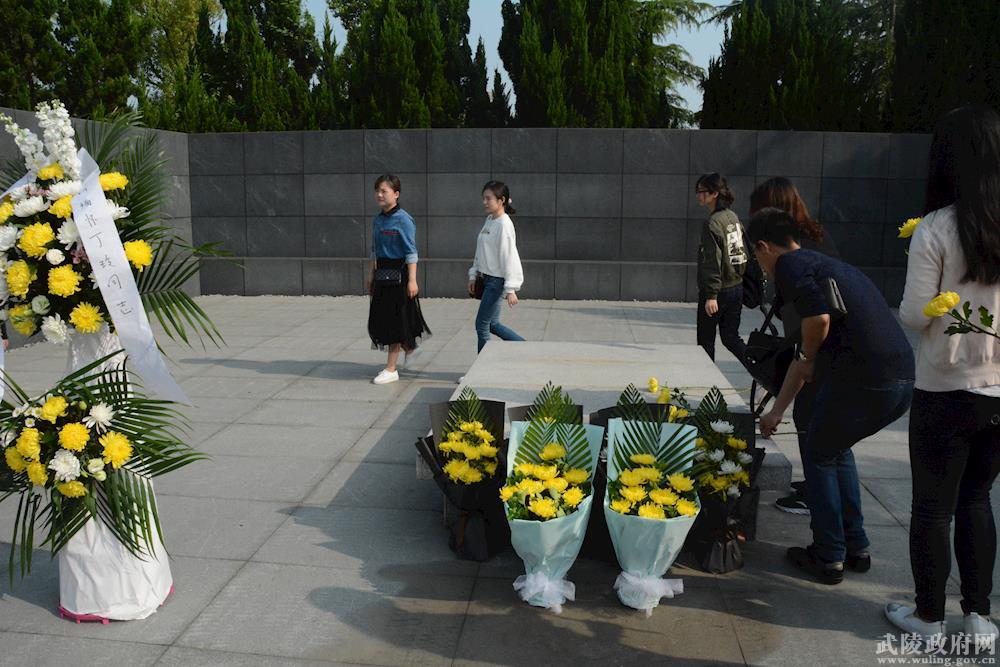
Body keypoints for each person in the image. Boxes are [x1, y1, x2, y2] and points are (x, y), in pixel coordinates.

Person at [885, 104, 1000, 644]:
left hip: (945, 390)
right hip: (998, 391)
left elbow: (913, 314)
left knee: (933, 509)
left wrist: (938, 307)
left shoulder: (935, 227)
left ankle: (928, 619)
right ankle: (978, 618)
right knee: (978, 500)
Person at [751, 207, 914, 585]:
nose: (761, 267)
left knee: (820, 453)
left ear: (763, 247)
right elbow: (803, 358)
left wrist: (808, 357)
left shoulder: (790, 266)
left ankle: (828, 555)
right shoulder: (824, 265)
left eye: (757, 258)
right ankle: (856, 547)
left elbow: (817, 325)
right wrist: (777, 411)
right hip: (900, 379)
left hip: (866, 380)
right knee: (835, 449)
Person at [749, 177, 840, 516]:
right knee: (823, 428)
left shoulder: (793, 253)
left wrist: (807, 357)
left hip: (816, 344)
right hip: (821, 342)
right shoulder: (816, 236)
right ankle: (823, 492)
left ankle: (819, 497)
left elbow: (817, 314)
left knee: (812, 421)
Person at [366, 174, 431, 385]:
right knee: (383, 318)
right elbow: (374, 251)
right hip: (381, 274)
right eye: (377, 191)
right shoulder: (378, 220)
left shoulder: (404, 219)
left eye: (384, 191)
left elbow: (411, 252)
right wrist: (371, 275)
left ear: (396, 194)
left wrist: (412, 280)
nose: (379, 194)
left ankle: (391, 369)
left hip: (399, 275)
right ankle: (410, 349)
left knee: (394, 320)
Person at [695, 173, 748, 366]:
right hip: (736, 287)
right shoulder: (732, 217)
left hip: (718, 291)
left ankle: (706, 381)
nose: (698, 195)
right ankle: (761, 372)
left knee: (705, 343)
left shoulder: (712, 223)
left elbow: (712, 261)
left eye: (702, 191)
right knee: (731, 338)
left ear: (714, 194)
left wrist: (711, 295)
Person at [468, 180, 524, 353]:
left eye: (488, 198)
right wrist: (473, 274)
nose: (484, 202)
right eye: (483, 198)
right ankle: (526, 347)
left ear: (501, 200)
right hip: (486, 279)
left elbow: (509, 256)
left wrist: (510, 289)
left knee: (481, 325)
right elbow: (480, 250)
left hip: (496, 282)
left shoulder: (504, 224)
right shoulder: (490, 219)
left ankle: (482, 366)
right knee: (492, 324)